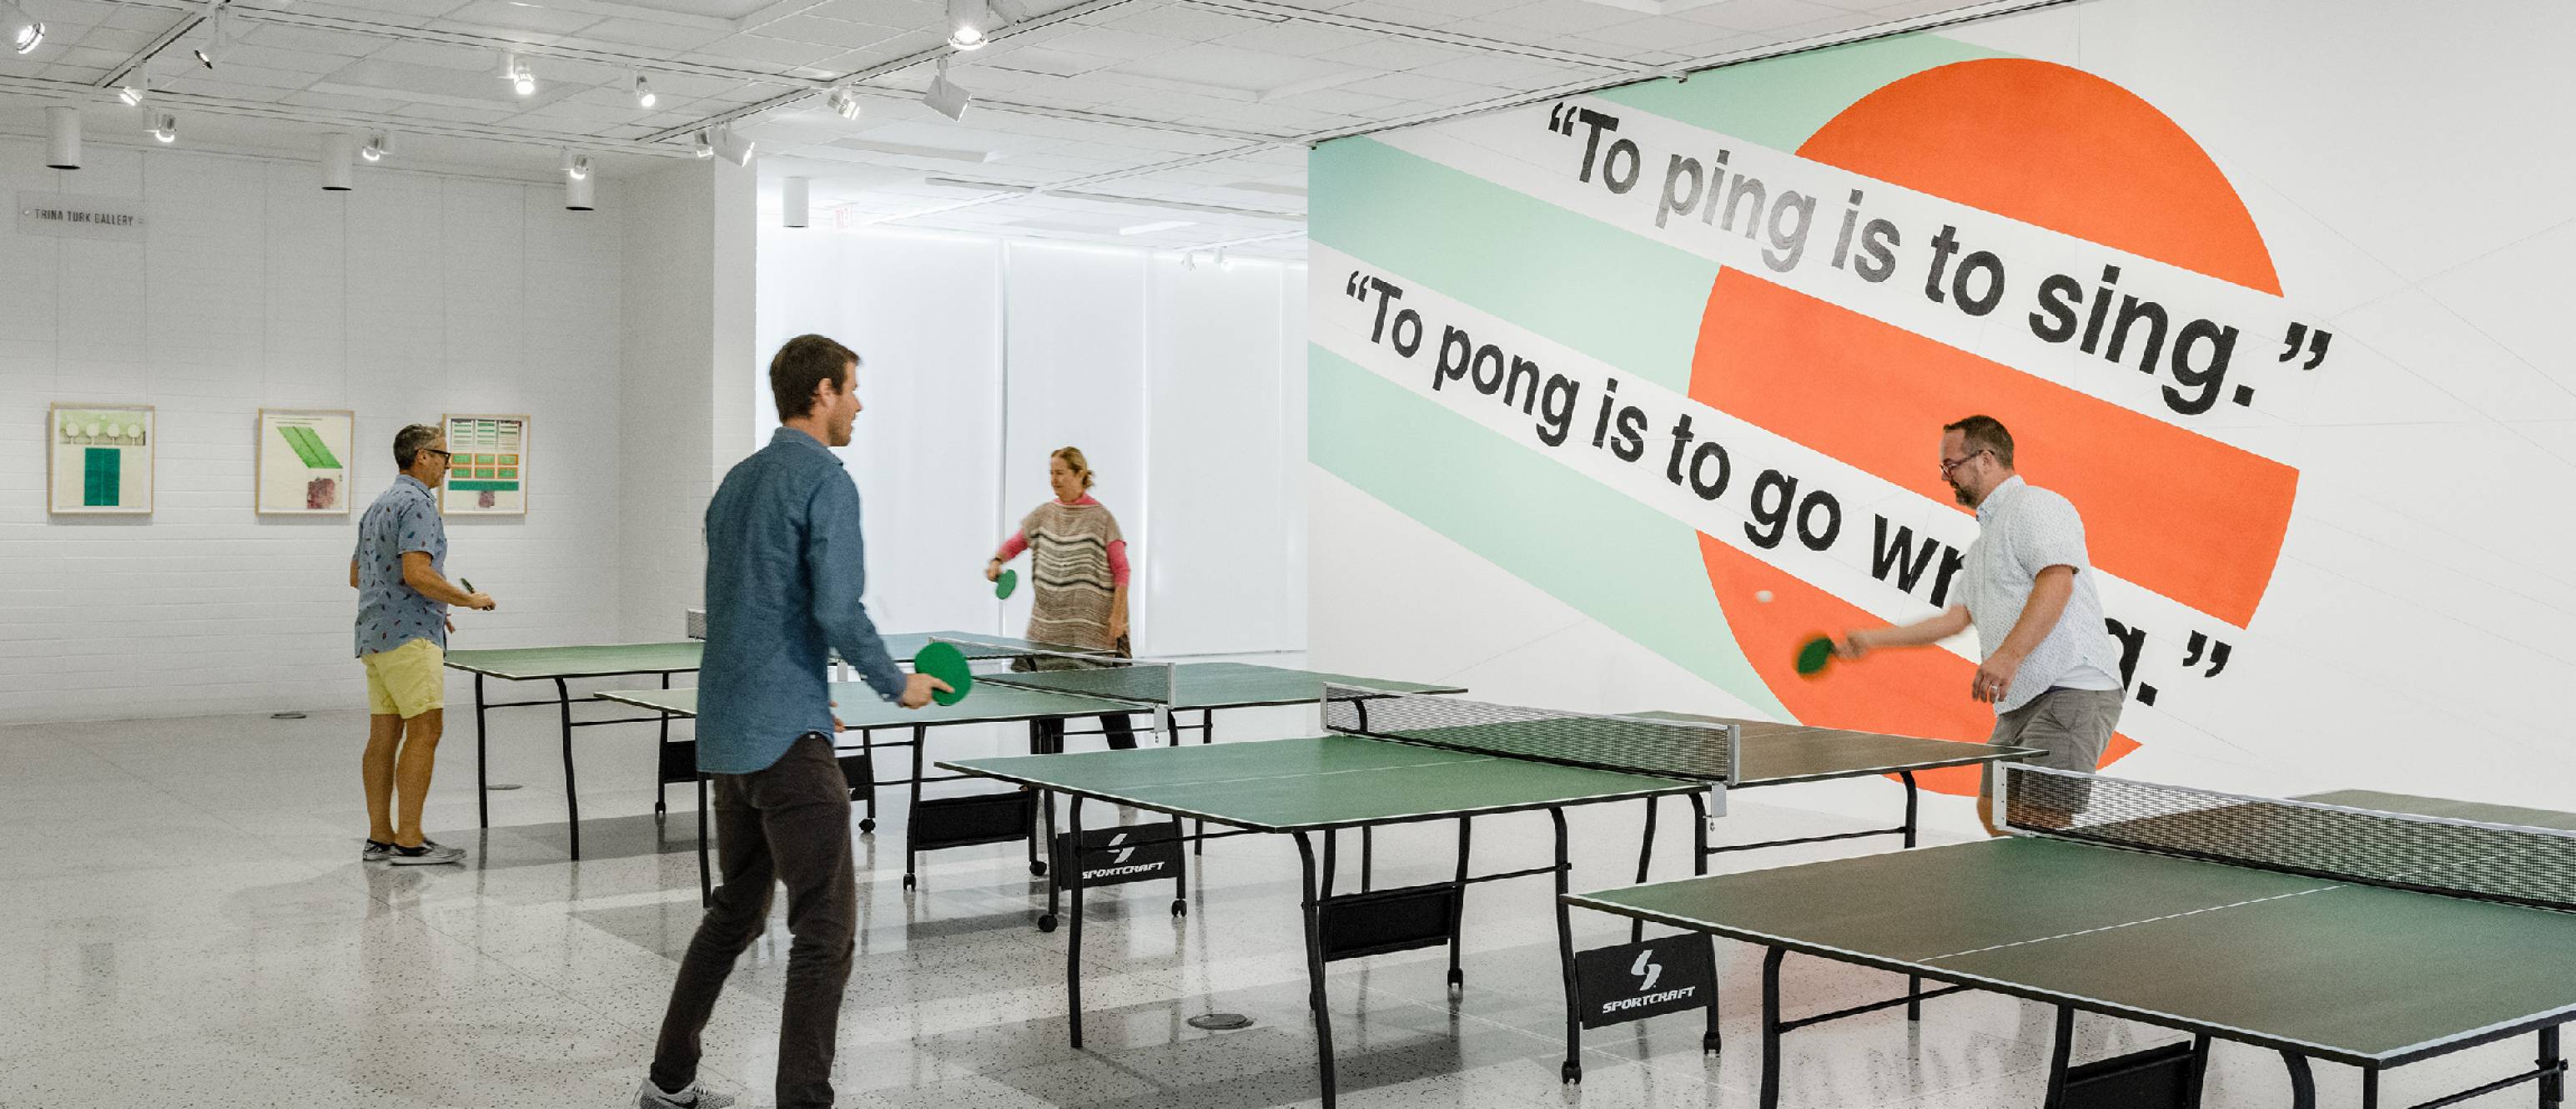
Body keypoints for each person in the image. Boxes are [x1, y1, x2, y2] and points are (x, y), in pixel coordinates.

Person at [637, 335, 948, 1109]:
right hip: (786, 744)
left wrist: (804, 684)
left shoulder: (736, 483)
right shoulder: (826, 481)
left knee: (735, 912)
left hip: (733, 738)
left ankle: (667, 1084)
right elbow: (834, 605)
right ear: (820, 393)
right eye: (852, 389)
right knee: (827, 929)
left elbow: (746, 606)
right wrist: (893, 680)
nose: (860, 405)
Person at [1834, 415, 2125, 834]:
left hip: (2072, 688)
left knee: (2044, 825)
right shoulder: (1983, 545)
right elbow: (1953, 620)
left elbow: (2057, 580)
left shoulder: (2037, 505)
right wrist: (1872, 640)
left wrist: (2007, 656)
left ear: (1986, 459)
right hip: (2019, 701)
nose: (1945, 476)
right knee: (1994, 814)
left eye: (1951, 465)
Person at [350, 423, 496, 866]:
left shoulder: (378, 506)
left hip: (375, 637)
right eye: (444, 456)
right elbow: (417, 572)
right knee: (426, 731)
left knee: (383, 736)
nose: (448, 465)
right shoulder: (418, 505)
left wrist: (435, 607)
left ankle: (381, 837)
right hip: (410, 640)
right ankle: (410, 841)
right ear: (422, 456)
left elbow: (358, 575)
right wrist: (466, 599)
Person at [986, 446, 1136, 753]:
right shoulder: (1044, 515)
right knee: (1047, 712)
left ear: (1080, 474)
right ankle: (1042, 792)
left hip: (1092, 635)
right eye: (1051, 472)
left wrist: (1118, 617)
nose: (1054, 479)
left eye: (1060, 472)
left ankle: (1129, 786)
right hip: (1049, 632)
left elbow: (1122, 570)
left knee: (1111, 710)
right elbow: (1018, 541)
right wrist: (998, 559)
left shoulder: (1101, 519)